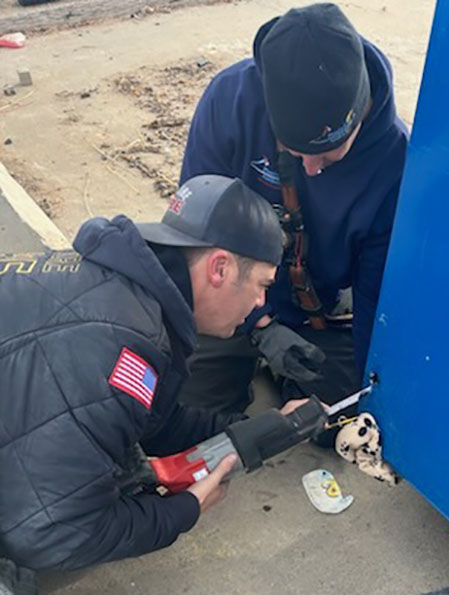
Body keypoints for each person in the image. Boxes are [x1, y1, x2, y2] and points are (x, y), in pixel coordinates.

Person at [0, 175, 305, 577]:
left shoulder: (123, 294)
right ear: (220, 268)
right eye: (262, 285)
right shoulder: (122, 345)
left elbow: (154, 421)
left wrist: (264, 429)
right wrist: (181, 512)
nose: (260, 303)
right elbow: (56, 536)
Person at [178, 3, 408, 434]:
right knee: (185, 416)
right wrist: (259, 326)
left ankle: (284, 373)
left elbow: (375, 298)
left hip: (317, 317)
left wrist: (368, 385)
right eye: (297, 151)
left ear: (360, 113)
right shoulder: (229, 101)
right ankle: (252, 358)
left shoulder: (395, 162)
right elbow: (193, 233)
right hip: (228, 298)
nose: (311, 169)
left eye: (327, 154)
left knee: (331, 424)